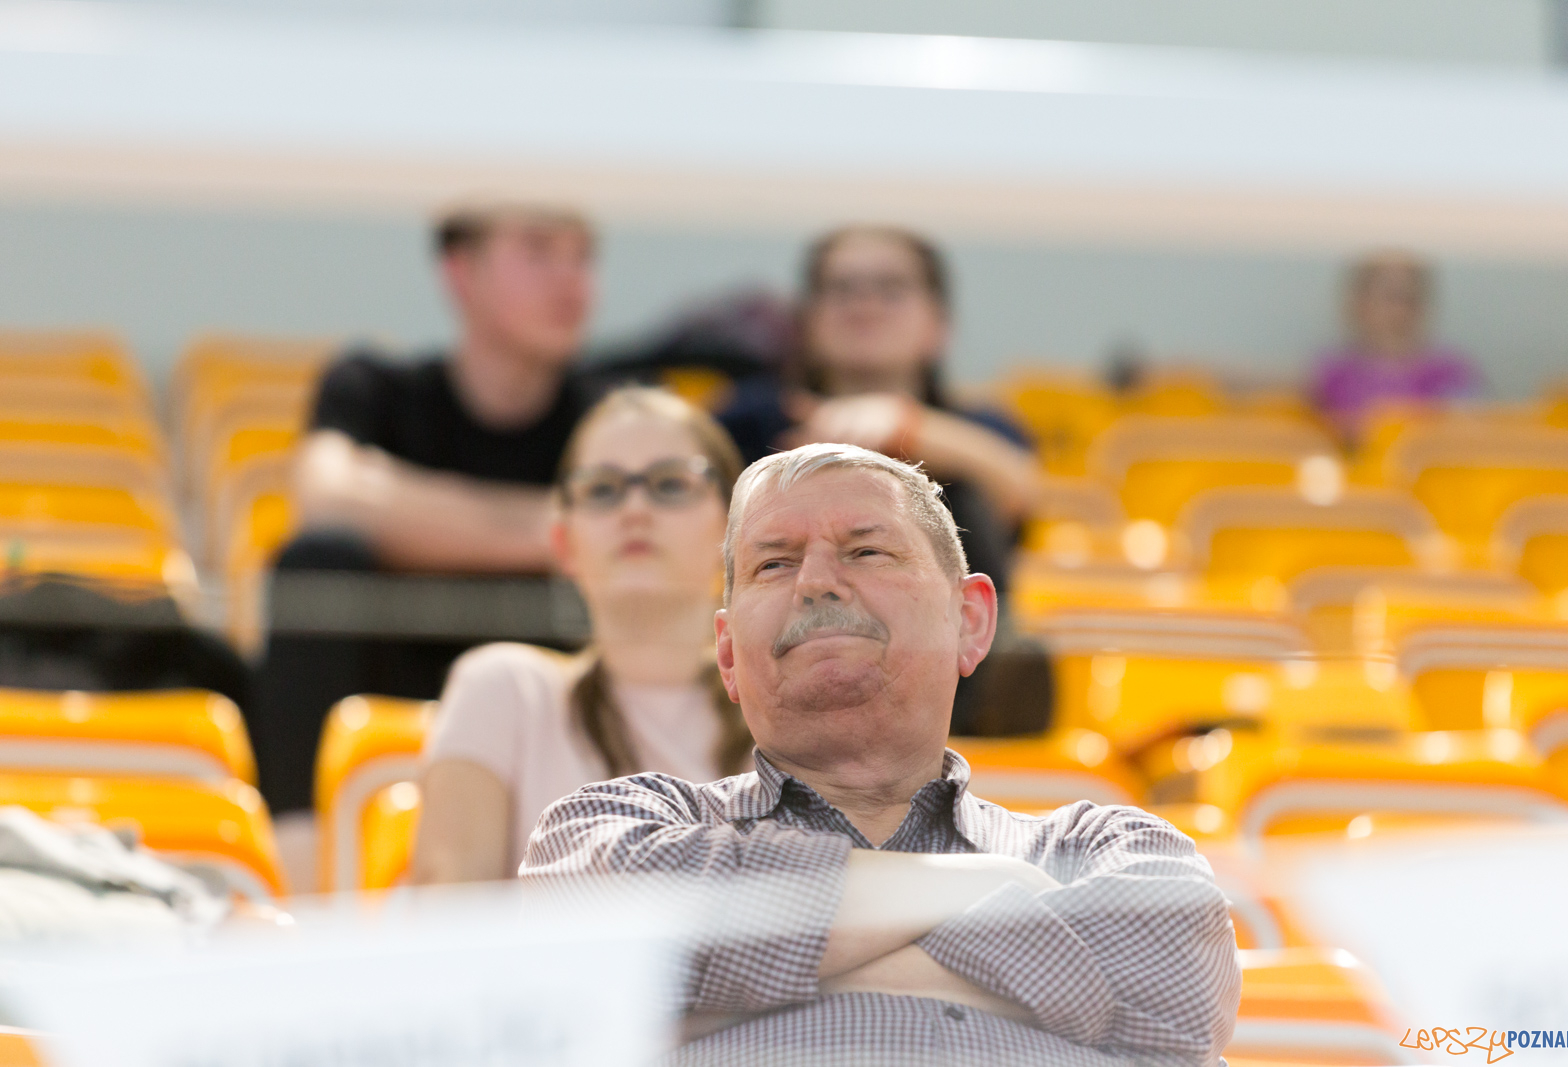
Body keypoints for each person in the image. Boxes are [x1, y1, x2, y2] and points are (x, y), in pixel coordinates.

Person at [522, 443, 1241, 1066]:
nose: (815, 581)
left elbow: (1177, 988)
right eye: (773, 563)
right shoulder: (608, 826)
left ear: (971, 619)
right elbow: (582, 946)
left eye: (866, 550)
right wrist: (982, 888)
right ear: (727, 652)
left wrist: (716, 989)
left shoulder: (1105, 845)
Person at [252, 203, 606, 815]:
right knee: (319, 564)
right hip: (382, 679)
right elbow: (326, 498)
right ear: (460, 270)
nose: (571, 279)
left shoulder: (612, 415)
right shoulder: (373, 387)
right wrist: (557, 525)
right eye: (541, 249)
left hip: (552, 694)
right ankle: (299, 846)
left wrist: (408, 512)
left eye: (583, 256)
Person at [410, 387, 752, 883]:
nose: (635, 508)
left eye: (672, 485)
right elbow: (449, 926)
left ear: (734, 533)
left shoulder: (785, 713)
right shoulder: (504, 690)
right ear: (563, 543)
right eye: (602, 489)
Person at [717, 226, 1041, 591]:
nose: (864, 307)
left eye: (891, 289)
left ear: (938, 324)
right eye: (841, 289)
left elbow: (1025, 496)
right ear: (806, 320)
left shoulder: (983, 425)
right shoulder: (751, 417)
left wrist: (909, 428)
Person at [1311, 250, 1480, 441]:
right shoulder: (1333, 372)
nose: (1400, 311)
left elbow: (1469, 429)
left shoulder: (1450, 371)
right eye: (1390, 297)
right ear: (1358, 303)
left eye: (1410, 299)